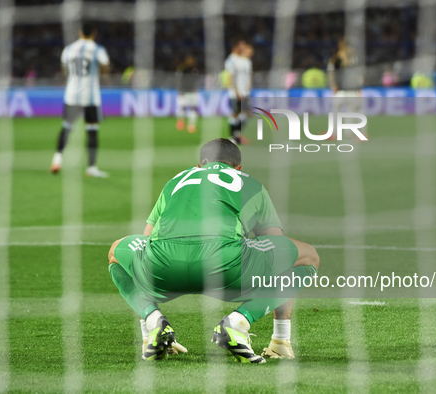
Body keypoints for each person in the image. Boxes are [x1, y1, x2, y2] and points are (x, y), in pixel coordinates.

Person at [108, 138, 320, 363]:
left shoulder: (176, 180)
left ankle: (153, 326)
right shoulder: (251, 183)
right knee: (307, 257)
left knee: (115, 253)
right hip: (225, 268)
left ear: (199, 165)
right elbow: (277, 247)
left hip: (163, 268)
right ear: (239, 168)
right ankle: (265, 335)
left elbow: (147, 237)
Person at [50, 22, 110, 178]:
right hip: (90, 97)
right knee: (92, 131)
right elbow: (105, 68)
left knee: (66, 128)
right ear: (94, 33)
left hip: (71, 95)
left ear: (80, 32)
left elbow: (65, 71)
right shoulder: (97, 49)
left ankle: (57, 160)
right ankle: (91, 167)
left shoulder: (68, 50)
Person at [224, 40, 252, 145]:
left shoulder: (242, 60)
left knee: (244, 114)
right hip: (236, 93)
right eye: (242, 46)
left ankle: (236, 136)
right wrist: (236, 91)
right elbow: (230, 77)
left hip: (243, 92)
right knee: (236, 114)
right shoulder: (231, 60)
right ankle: (233, 137)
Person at [175, 54, 201, 133]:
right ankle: (181, 123)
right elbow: (178, 80)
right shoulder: (182, 68)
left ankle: (191, 125)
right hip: (184, 91)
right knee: (182, 107)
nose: (191, 61)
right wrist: (180, 90)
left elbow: (196, 81)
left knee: (193, 108)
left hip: (192, 92)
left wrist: (195, 89)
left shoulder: (195, 69)